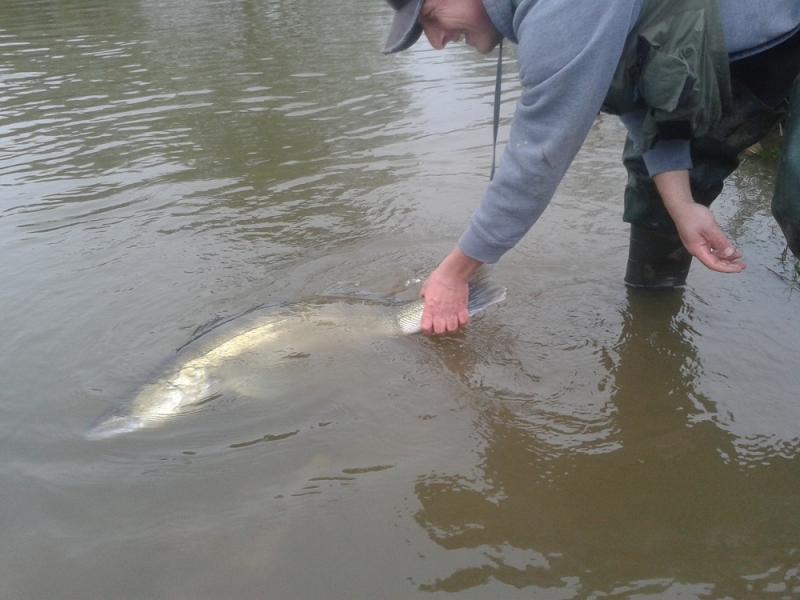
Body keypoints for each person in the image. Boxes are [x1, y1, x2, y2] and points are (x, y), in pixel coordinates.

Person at [380, 0, 800, 335]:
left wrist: (454, 274)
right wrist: (683, 207)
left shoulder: (561, 9)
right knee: (655, 202)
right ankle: (652, 337)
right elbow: (645, 96)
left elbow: (538, 157)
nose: (436, 41)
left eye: (430, 16)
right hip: (723, 67)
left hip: (781, 40)